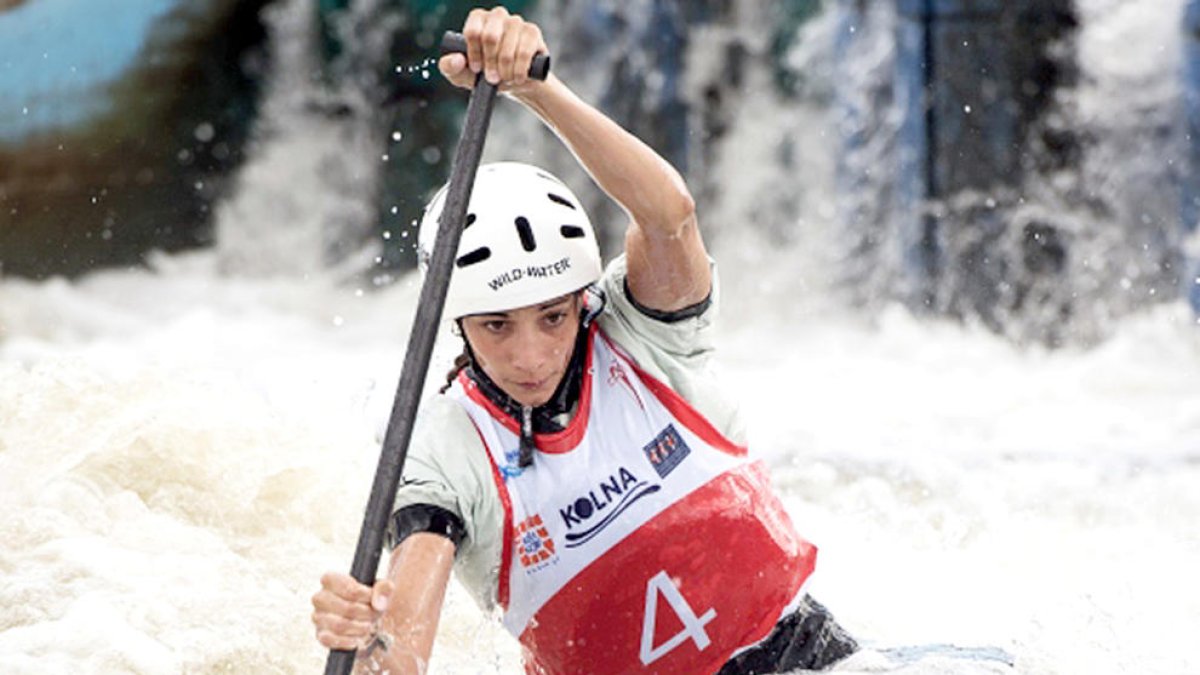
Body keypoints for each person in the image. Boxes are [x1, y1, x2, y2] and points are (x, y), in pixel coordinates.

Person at [311, 7, 858, 674]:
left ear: (582, 300)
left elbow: (669, 215)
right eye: (496, 326)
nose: (531, 356)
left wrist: (536, 89)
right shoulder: (444, 451)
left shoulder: (643, 337)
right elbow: (401, 655)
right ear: (457, 323)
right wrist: (368, 638)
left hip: (814, 658)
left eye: (552, 317)